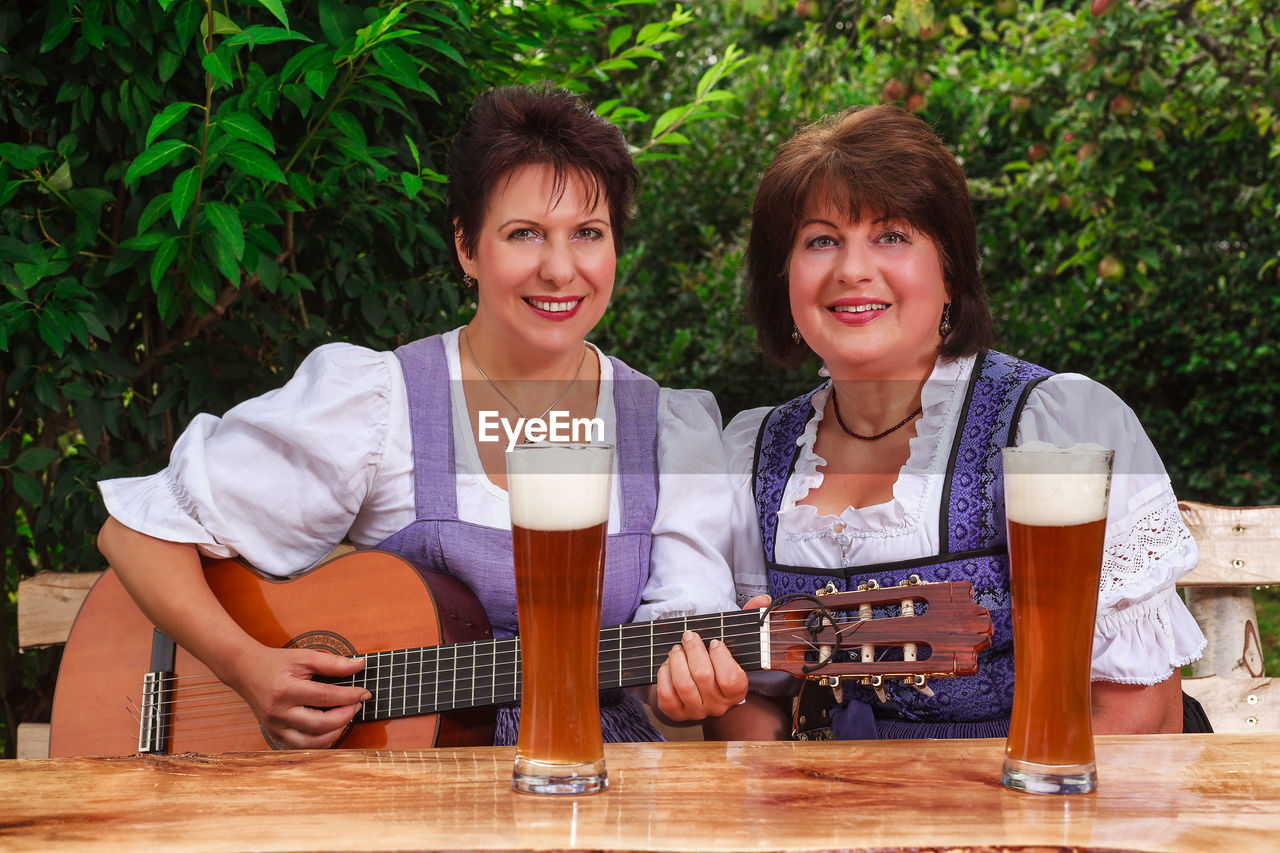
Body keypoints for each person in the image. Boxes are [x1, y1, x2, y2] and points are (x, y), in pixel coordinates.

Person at [97, 83, 749, 750]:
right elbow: (138, 535)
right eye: (524, 233)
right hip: (403, 797)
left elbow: (685, 658)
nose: (560, 269)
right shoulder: (382, 403)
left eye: (588, 233)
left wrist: (689, 686)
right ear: (466, 246)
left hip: (587, 782)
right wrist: (249, 667)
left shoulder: (669, 432)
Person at [706, 104, 1208, 741]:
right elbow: (757, 711)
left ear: (950, 271)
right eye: (821, 240)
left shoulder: (1056, 426)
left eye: (891, 236)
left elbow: (1136, 713)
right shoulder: (752, 452)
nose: (852, 269)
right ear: (785, 278)